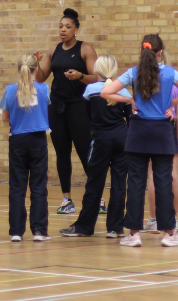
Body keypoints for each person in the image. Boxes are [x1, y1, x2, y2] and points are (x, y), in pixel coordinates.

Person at [102, 34, 178, 247]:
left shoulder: (133, 73)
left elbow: (106, 92)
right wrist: (171, 102)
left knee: (136, 182)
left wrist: (129, 99)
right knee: (164, 182)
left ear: (141, 51)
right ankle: (169, 234)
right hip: (162, 131)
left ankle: (134, 234)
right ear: (160, 52)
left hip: (138, 131)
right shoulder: (169, 73)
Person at [33, 8, 101, 215]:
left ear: (76, 29)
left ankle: (97, 198)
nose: (63, 30)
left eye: (68, 27)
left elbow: (97, 77)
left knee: (84, 152)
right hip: (57, 106)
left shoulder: (86, 49)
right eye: (61, 26)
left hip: (79, 106)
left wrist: (80, 76)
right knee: (62, 153)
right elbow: (40, 78)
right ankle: (67, 199)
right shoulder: (53, 49)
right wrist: (37, 62)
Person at [60, 55, 130, 238]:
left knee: (94, 183)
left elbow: (88, 116)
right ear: (114, 71)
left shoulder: (90, 90)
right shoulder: (124, 91)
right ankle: (115, 228)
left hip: (101, 140)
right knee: (119, 183)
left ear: (97, 71)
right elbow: (131, 118)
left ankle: (84, 226)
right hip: (122, 139)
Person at [0, 54, 52, 242]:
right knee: (38, 186)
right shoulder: (44, 88)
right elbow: (48, 110)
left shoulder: (9, 90)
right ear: (36, 69)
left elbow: (5, 118)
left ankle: (16, 231)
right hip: (37, 140)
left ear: (18, 69)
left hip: (18, 141)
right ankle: (39, 230)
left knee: (17, 186)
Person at [142, 84, 178, 233]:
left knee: (153, 175)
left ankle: (154, 219)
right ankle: (174, 220)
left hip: (149, 126)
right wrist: (177, 140)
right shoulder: (175, 84)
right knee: (173, 174)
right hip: (168, 128)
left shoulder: (146, 80)